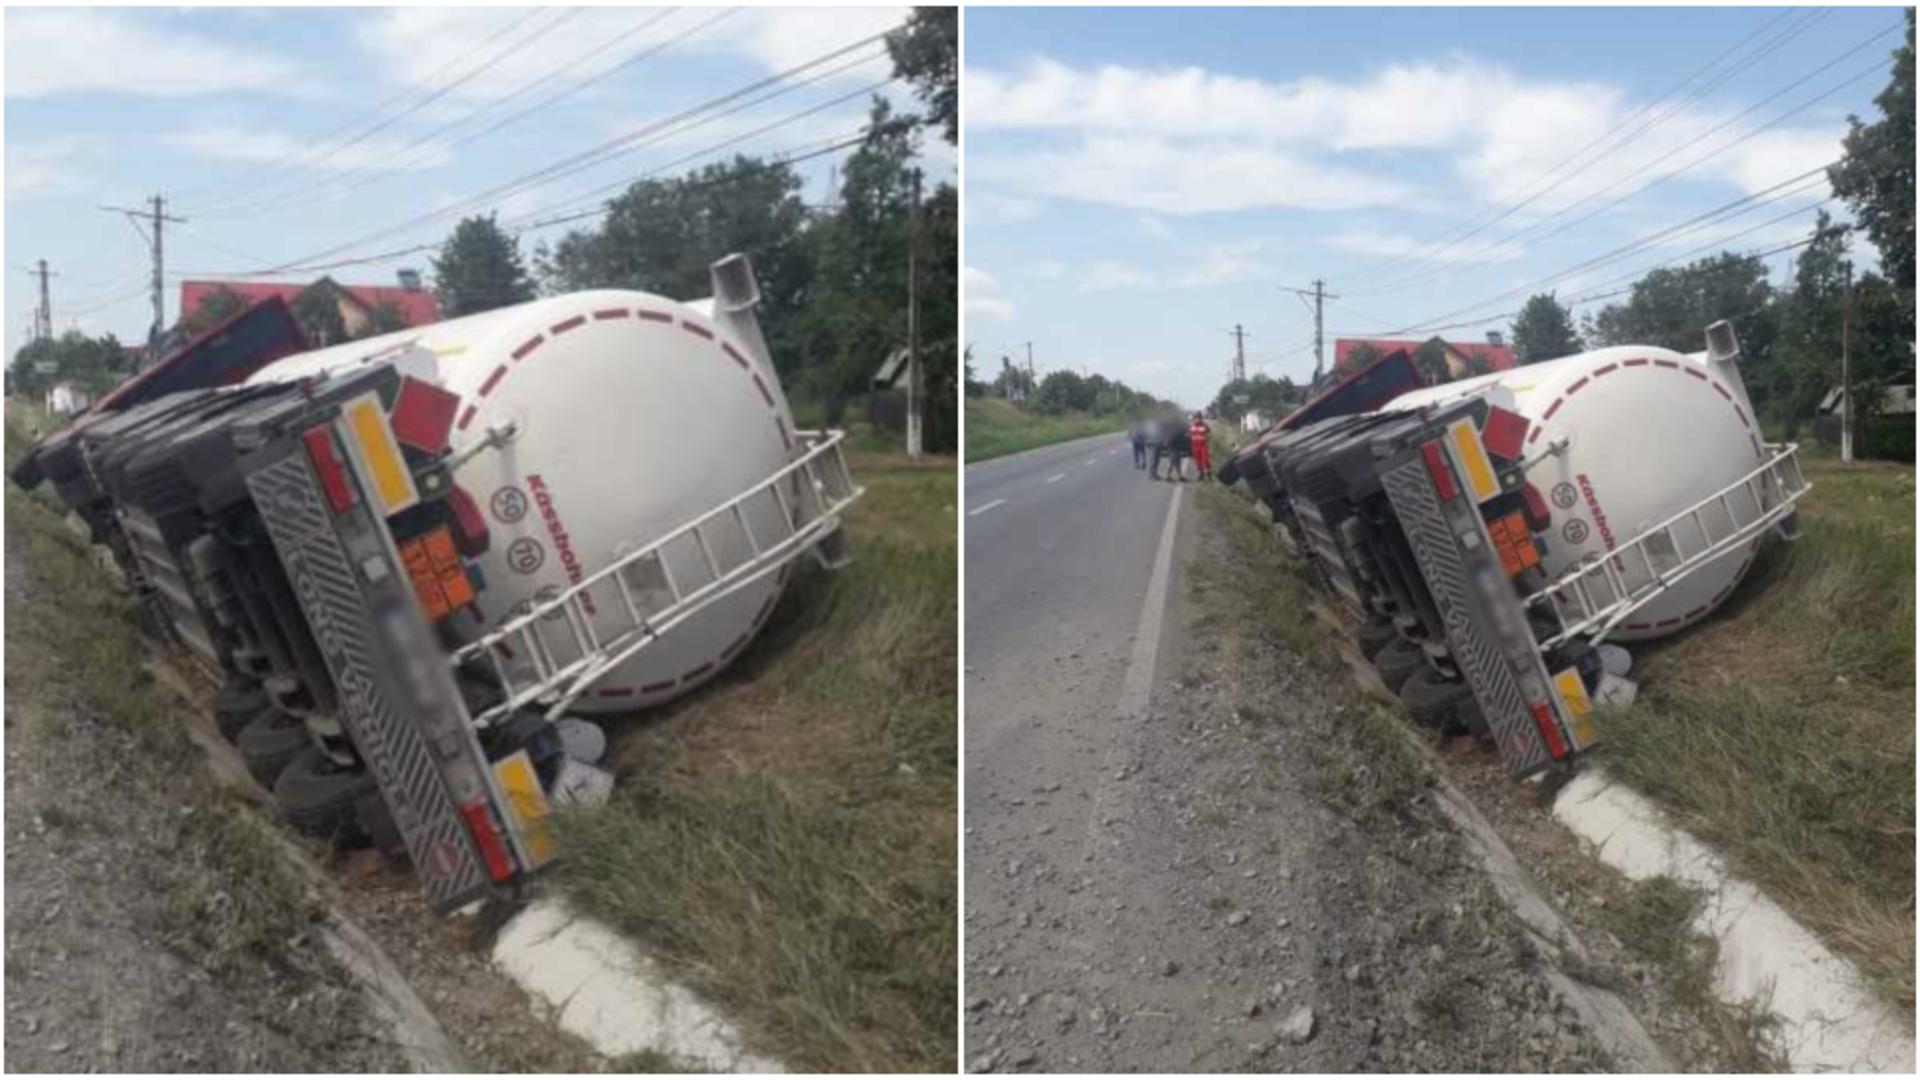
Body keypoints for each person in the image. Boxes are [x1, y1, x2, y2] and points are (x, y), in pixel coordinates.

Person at [1189, 411, 1213, 481]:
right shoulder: (1191, 426)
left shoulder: (1205, 425)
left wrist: (1207, 438)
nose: (1198, 419)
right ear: (1194, 418)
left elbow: (1209, 433)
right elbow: (1189, 434)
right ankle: (1201, 474)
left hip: (1203, 445)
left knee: (1205, 460)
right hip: (1195, 446)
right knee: (1198, 461)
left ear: (1201, 418)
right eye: (1196, 417)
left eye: (1199, 417)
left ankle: (1209, 474)